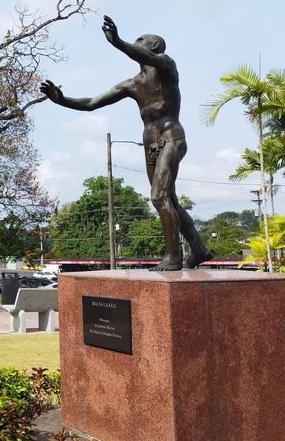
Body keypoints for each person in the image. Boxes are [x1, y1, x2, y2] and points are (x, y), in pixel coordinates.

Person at [39, 16, 212, 271]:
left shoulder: (167, 65)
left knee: (159, 196)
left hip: (171, 136)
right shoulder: (132, 84)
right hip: (150, 143)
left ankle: (173, 257)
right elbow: (91, 103)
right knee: (169, 201)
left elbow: (146, 57)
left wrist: (117, 42)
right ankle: (199, 249)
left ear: (154, 46)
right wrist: (61, 100)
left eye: (141, 40)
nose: (136, 43)